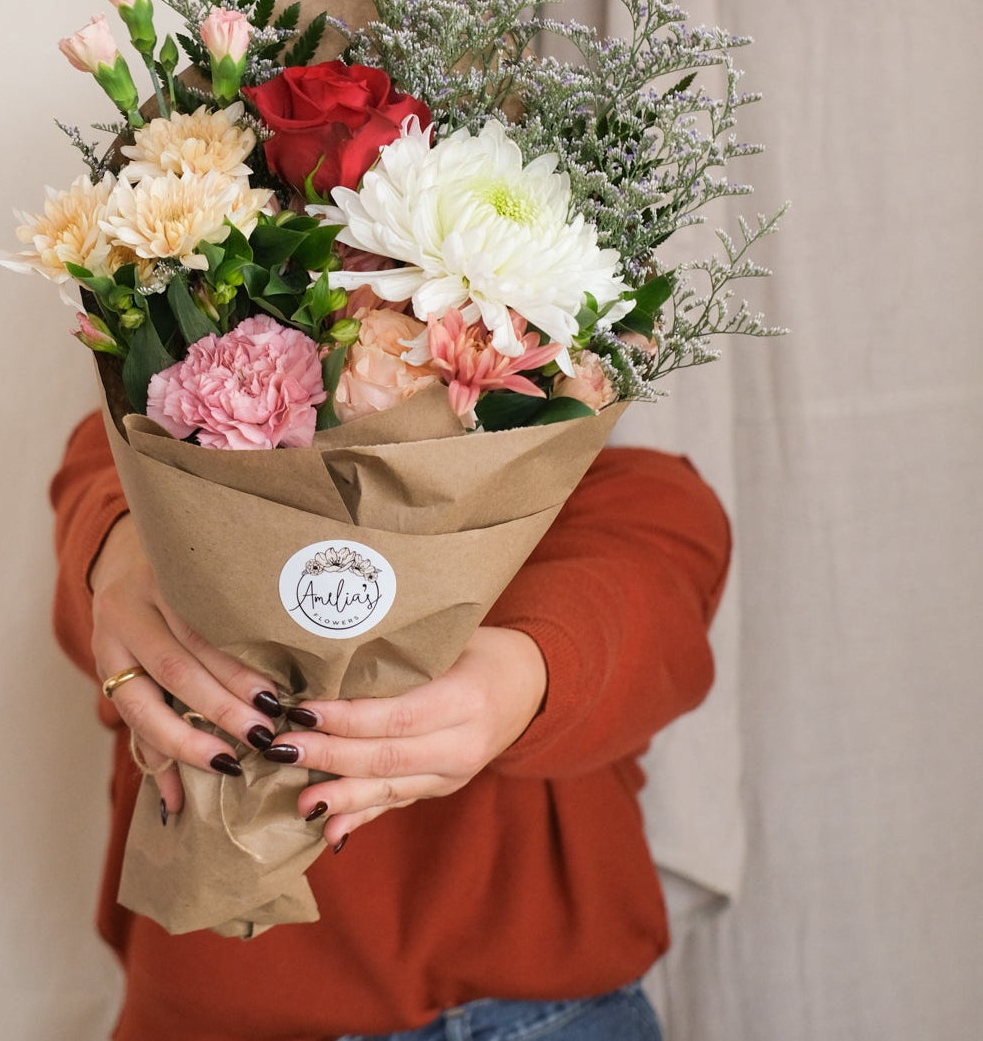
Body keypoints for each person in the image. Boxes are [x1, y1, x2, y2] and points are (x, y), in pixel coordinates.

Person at [51, 408, 731, 1041]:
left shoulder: (633, 501)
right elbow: (100, 489)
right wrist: (126, 547)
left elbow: (640, 591)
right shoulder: (136, 455)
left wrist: (529, 672)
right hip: (209, 1015)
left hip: (534, 1017)